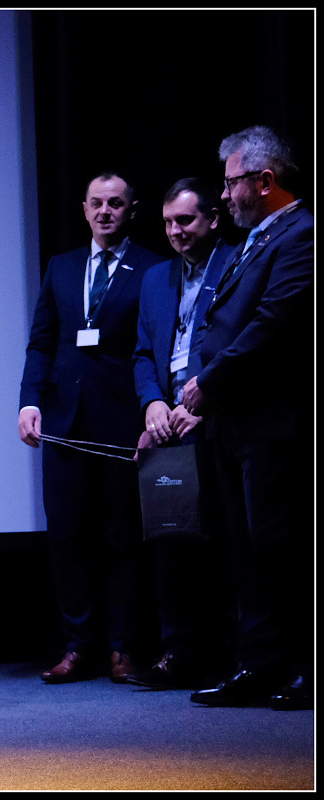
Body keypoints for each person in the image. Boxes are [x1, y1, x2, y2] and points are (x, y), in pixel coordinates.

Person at [181, 126, 313, 711]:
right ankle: (260, 666)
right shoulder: (256, 239)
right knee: (244, 549)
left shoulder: (302, 235)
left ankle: (307, 668)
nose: (223, 194)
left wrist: (208, 381)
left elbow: (273, 323)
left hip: (272, 423)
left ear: (264, 181)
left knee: (281, 546)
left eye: (230, 182)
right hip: (232, 423)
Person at [18, 171, 164, 684]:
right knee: (67, 537)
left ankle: (123, 648)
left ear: (132, 210)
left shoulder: (153, 268)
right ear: (84, 209)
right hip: (63, 422)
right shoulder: (62, 267)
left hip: (122, 423)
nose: (105, 212)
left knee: (123, 537)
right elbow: (41, 342)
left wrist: (150, 411)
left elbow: (154, 345)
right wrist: (29, 401)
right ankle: (78, 646)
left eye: (115, 204)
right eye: (97, 203)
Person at [128, 178, 236, 690]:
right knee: (170, 543)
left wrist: (205, 405)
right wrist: (152, 403)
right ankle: (178, 653)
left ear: (213, 218)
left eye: (186, 220)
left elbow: (236, 346)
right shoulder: (156, 277)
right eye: (168, 222)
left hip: (216, 421)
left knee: (225, 543)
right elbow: (143, 353)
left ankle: (232, 656)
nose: (175, 231)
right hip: (168, 425)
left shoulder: (236, 263)